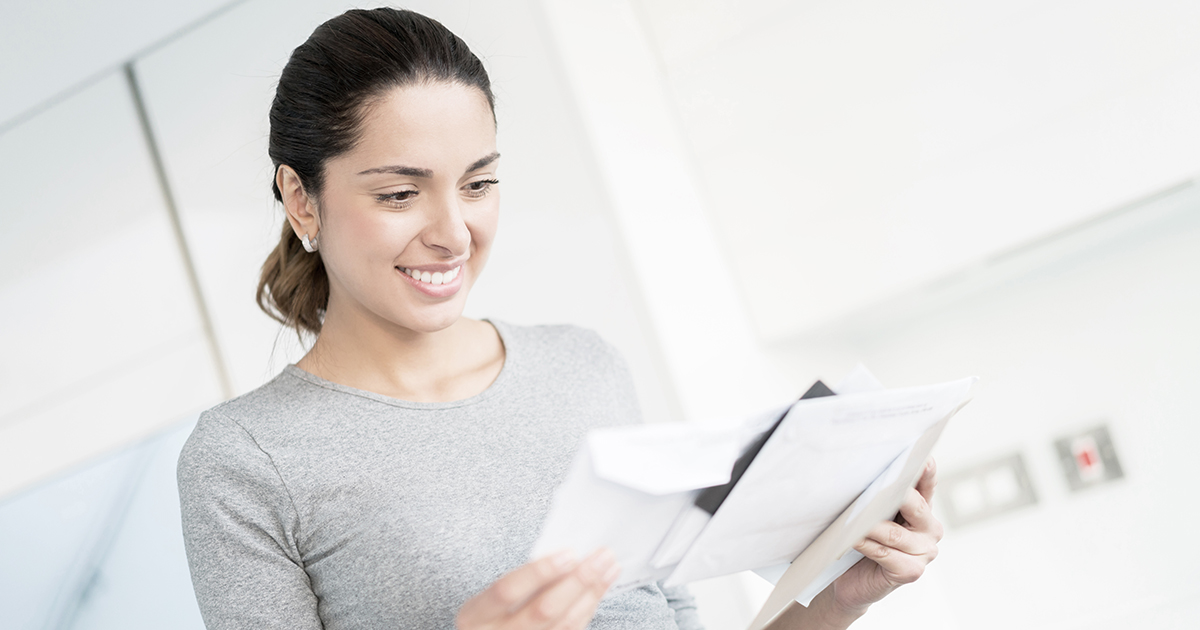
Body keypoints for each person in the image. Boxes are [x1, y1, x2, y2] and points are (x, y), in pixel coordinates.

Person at [177, 8, 944, 630]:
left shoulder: (585, 368)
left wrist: (838, 599)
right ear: (302, 197)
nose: (453, 232)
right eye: (400, 194)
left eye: (477, 184)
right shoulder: (246, 461)